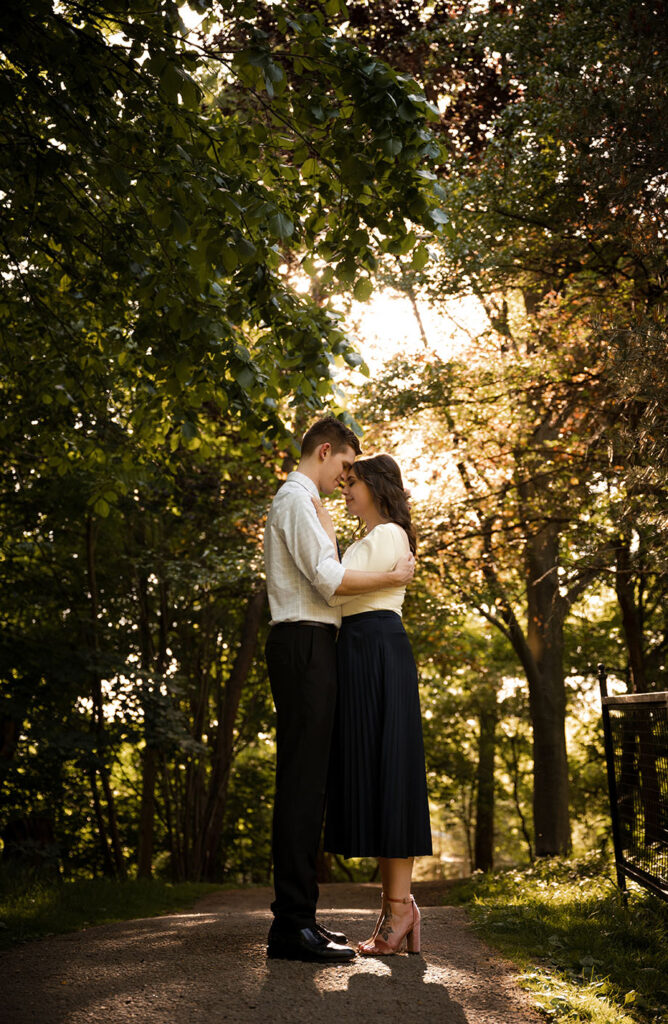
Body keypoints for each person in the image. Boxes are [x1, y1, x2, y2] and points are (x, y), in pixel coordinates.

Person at [263, 419, 416, 963]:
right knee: (302, 784)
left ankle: (301, 917)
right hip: (302, 644)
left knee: (311, 784)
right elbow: (330, 581)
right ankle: (290, 927)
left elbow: (327, 572)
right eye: (345, 468)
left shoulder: (307, 505)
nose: (345, 480)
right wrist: (395, 576)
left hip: (315, 645)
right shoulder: (295, 500)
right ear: (325, 452)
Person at [314, 454, 432, 955]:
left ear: (377, 487)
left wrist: (323, 531)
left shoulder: (388, 536)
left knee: (392, 774)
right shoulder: (371, 542)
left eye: (352, 483)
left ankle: (400, 909)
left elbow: (336, 590)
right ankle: (396, 908)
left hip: (378, 649)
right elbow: (336, 591)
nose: (346, 491)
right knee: (377, 774)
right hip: (361, 652)